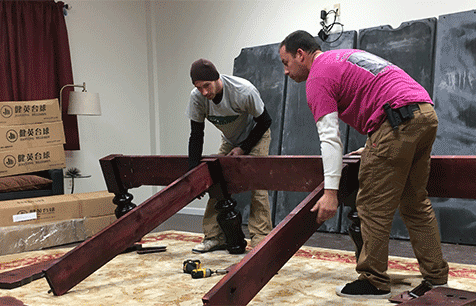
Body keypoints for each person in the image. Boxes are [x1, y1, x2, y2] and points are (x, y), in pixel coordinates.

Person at [278, 30, 449, 299]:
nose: (286, 72)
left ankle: (373, 280)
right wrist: (376, 142)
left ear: (301, 55)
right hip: (424, 113)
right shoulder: (343, 56)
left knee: (370, 204)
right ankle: (437, 277)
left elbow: (330, 139)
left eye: (286, 63)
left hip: (395, 121)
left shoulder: (318, 76)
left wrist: (331, 193)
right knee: (415, 202)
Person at [186, 58, 273, 253]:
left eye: (207, 86)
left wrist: (243, 148)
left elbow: (265, 121)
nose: (204, 92)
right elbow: (196, 135)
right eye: (199, 88)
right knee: (215, 183)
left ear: (217, 78)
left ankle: (261, 238)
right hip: (230, 139)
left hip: (256, 136)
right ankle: (214, 237)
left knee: (257, 184)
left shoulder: (244, 91)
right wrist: (193, 173)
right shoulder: (197, 98)